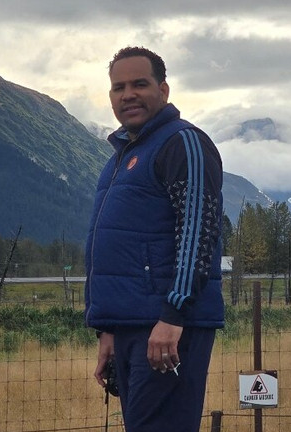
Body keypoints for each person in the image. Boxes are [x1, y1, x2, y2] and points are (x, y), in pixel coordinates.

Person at [85, 46, 224, 432]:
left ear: (163, 90)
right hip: (132, 325)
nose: (127, 94)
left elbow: (198, 232)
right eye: (118, 87)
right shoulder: (123, 157)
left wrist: (173, 316)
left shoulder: (183, 143)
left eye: (139, 84)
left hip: (166, 328)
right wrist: (108, 328)